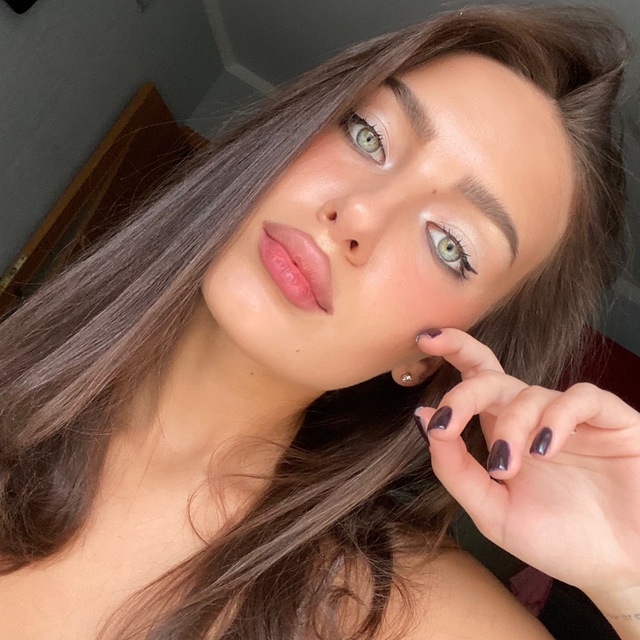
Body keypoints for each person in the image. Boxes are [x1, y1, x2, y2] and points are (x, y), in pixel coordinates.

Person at [0, 3, 638, 639]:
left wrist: (629, 579)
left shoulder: (380, 610)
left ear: (431, 356)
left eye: (450, 245)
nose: (358, 214)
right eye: (368, 136)